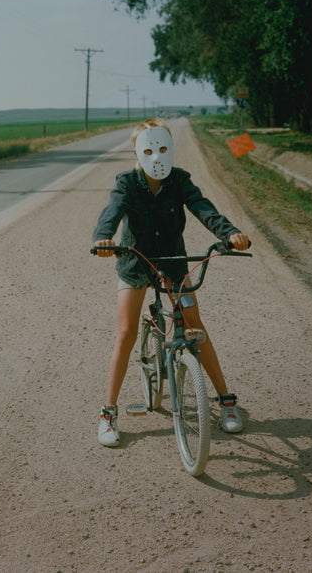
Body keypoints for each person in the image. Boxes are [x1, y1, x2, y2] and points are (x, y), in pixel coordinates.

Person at [92, 118, 250, 447]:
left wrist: (229, 233)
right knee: (126, 333)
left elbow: (203, 208)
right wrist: (103, 237)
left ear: (171, 148)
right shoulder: (127, 182)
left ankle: (226, 401)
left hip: (174, 263)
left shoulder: (179, 180)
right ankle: (108, 413)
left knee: (195, 324)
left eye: (163, 148)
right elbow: (113, 210)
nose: (157, 156)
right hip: (135, 262)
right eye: (149, 149)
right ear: (137, 152)